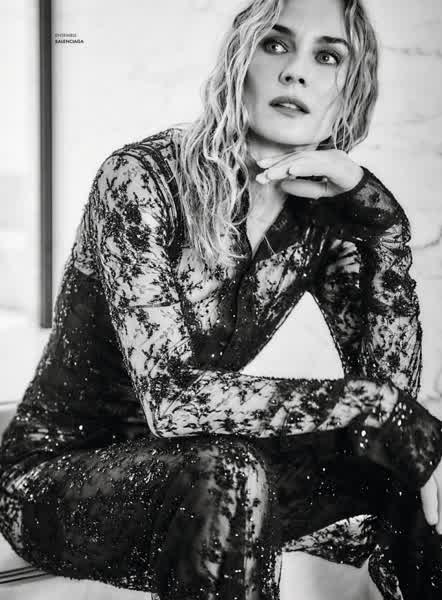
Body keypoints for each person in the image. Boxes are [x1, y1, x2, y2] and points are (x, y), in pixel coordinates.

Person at [0, 0, 441, 598]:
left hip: (201, 465)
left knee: (414, 458)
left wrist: (384, 228)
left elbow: (393, 396)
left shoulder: (322, 219)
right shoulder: (142, 178)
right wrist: (374, 404)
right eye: (275, 44)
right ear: (240, 59)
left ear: (350, 90)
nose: (296, 71)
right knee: (229, 472)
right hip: (58, 477)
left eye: (327, 56)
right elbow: (171, 402)